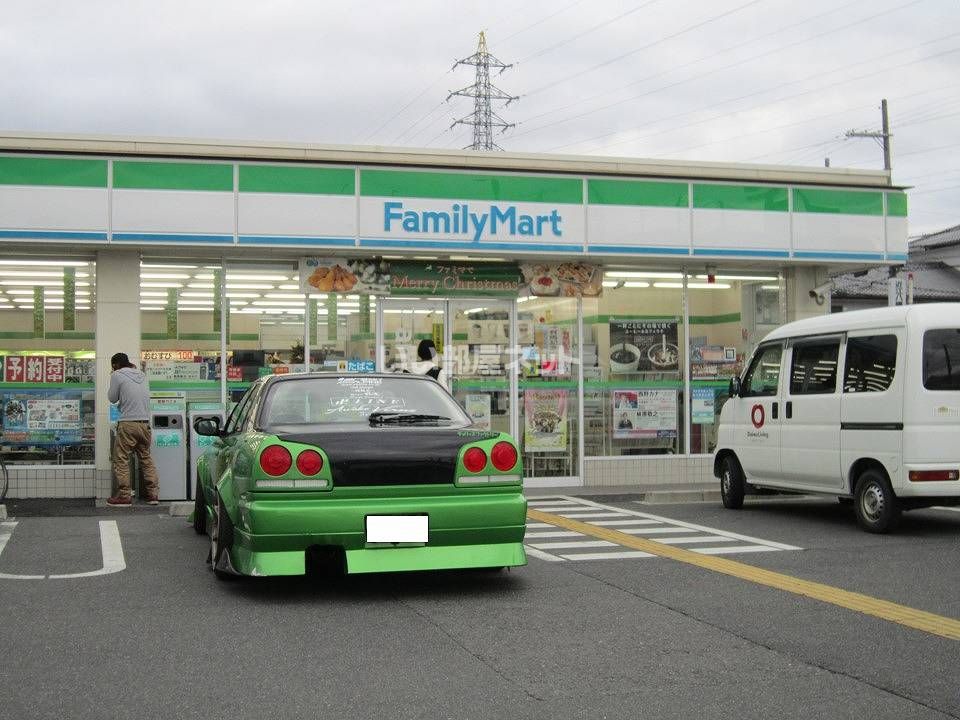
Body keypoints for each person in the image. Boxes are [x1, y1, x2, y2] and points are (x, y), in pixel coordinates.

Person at [107, 352, 160, 506]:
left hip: (128, 423)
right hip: (144, 423)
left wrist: (113, 375)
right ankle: (153, 494)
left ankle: (124, 496)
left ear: (115, 364)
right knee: (146, 458)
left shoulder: (117, 374)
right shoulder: (142, 375)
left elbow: (112, 398)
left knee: (121, 458)